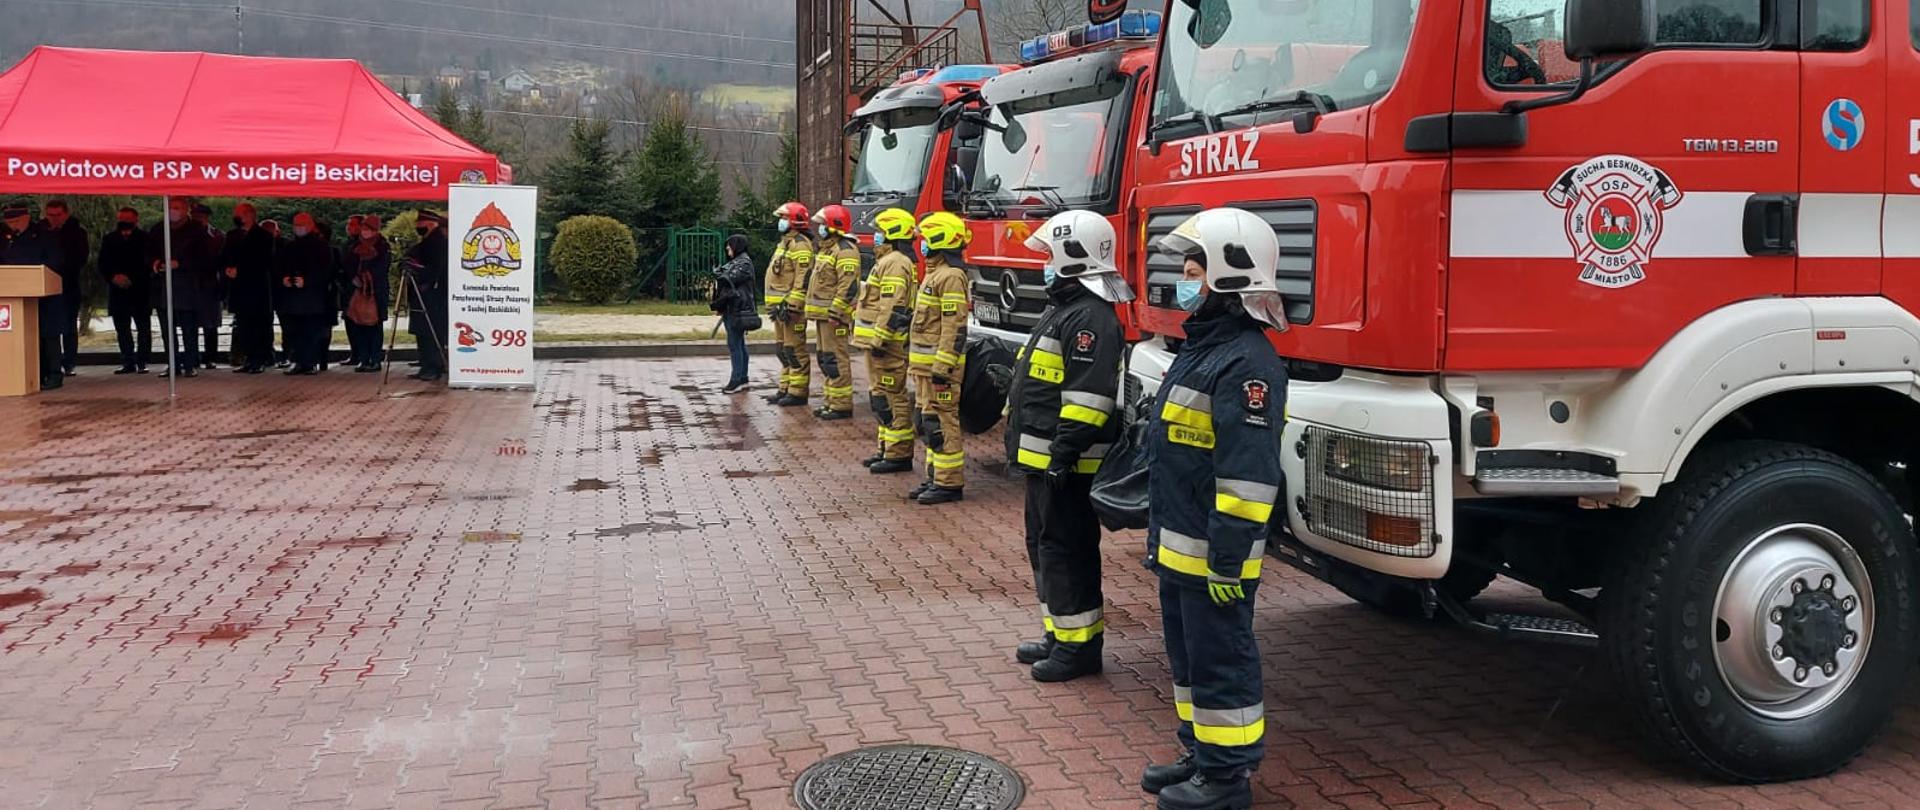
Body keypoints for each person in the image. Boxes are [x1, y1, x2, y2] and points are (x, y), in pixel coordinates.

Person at [1138, 208, 1289, 810]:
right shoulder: (1204, 348)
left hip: (1215, 556)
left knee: (1221, 658)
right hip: (1182, 543)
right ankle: (1200, 752)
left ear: (1229, 277)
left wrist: (1229, 561)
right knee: (1188, 657)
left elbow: (1249, 476)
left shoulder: (1246, 362)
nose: (1185, 279)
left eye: (1194, 269)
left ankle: (1227, 779)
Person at [1006, 210, 1131, 683]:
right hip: (1045, 464)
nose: (1045, 265)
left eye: (1050, 256)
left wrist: (1063, 455)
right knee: (1045, 549)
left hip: (1068, 466)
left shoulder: (1090, 318)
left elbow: (1088, 399)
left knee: (1068, 551)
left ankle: (1079, 650)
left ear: (1073, 256)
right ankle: (1060, 633)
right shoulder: (1065, 309)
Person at [905, 212, 973, 506]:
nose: (921, 245)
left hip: (939, 369)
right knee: (927, 422)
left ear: (940, 240)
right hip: (925, 368)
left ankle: (948, 483)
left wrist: (943, 367)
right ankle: (935, 476)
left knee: (942, 424)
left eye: (926, 239)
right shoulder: (935, 274)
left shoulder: (952, 277)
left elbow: (954, 326)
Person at [849, 207, 918, 475]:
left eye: (880, 232)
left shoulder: (896, 262)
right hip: (877, 346)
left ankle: (899, 454)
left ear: (892, 234)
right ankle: (886, 448)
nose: (876, 236)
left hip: (886, 346)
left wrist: (879, 338)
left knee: (893, 398)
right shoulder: (888, 260)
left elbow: (892, 305)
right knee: (880, 397)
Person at [0, 200, 65, 390]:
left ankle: (52, 374)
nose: (12, 225)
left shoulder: (44, 235)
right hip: (11, 296)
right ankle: (19, 373)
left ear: (27, 217)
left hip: (44, 297)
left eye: (16, 221)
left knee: (48, 336)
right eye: (9, 222)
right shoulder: (3, 236)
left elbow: (55, 261)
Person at [805, 204, 860, 420]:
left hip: (834, 318)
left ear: (835, 226)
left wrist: (837, 312)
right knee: (825, 358)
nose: (820, 229)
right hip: (823, 317)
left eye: (823, 225)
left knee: (836, 359)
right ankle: (831, 401)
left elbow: (848, 286)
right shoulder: (827, 249)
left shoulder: (845, 250)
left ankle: (841, 405)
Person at [150, 198, 213, 378]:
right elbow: (148, 252)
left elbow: (204, 258)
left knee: (188, 328)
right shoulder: (158, 229)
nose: (172, 211)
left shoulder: (197, 230)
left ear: (186, 210)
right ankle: (173, 364)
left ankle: (191, 363)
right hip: (163, 286)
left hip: (188, 286)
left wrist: (182, 263)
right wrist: (156, 263)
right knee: (167, 328)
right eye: (170, 208)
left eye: (176, 208)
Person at [762, 202, 813, 407]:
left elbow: (803, 278)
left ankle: (798, 392)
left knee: (794, 350)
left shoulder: (801, 245)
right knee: (782, 350)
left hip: (791, 310)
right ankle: (785, 388)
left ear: (793, 221)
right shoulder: (785, 243)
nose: (780, 222)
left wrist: (792, 305)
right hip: (779, 310)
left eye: (784, 218)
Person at [223, 203, 276, 374]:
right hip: (238, 288)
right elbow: (224, 256)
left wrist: (242, 270)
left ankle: (259, 359)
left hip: (257, 287)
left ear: (250, 215)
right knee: (243, 325)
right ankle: (248, 358)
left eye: (239, 214)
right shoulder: (232, 235)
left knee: (259, 325)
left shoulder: (264, 237)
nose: (237, 217)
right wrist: (227, 268)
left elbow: (265, 261)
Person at [277, 213, 332, 375]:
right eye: (295, 224)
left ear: (310, 225)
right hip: (293, 296)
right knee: (294, 331)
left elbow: (326, 271)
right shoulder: (290, 246)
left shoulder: (321, 247)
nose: (298, 228)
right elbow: (280, 266)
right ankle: (298, 361)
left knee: (311, 331)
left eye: (301, 224)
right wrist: (285, 278)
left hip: (312, 297)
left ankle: (310, 362)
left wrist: (307, 281)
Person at [99, 207, 151, 374]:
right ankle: (127, 361)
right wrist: (114, 277)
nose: (124, 221)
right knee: (122, 328)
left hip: (139, 290)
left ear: (136, 219)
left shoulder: (145, 238)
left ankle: (143, 361)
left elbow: (148, 263)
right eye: (121, 218)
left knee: (143, 328)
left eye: (128, 218)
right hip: (117, 291)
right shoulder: (109, 239)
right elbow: (103, 263)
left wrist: (132, 279)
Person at [42, 200, 87, 377]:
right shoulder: (40, 232)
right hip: (43, 287)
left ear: (66, 214)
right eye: (50, 215)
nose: (53, 219)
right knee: (47, 327)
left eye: (57, 215)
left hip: (68, 285)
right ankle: (49, 363)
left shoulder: (77, 233)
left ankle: (69, 363)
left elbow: (80, 258)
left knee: (68, 326)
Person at [341, 215, 391, 373]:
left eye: (368, 229)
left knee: (375, 326)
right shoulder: (355, 245)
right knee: (359, 325)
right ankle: (363, 358)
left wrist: (368, 277)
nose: (365, 232)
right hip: (358, 291)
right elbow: (347, 264)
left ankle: (375, 359)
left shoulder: (382, 246)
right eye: (363, 229)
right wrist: (354, 277)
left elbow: (383, 267)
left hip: (375, 291)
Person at [405, 209, 450, 382]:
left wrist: (417, 269)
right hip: (422, 293)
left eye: (421, 223)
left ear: (431, 224)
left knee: (431, 330)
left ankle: (433, 365)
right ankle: (426, 363)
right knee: (422, 331)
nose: (417, 226)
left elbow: (435, 270)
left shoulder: (438, 243)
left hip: (432, 293)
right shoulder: (426, 242)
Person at [191, 202, 226, 368]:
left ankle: (210, 356)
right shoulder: (185, 234)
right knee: (189, 323)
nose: (197, 218)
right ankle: (193, 356)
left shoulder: (217, 235)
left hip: (210, 284)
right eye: (194, 215)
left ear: (206, 217)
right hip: (190, 284)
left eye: (200, 216)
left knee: (210, 323)